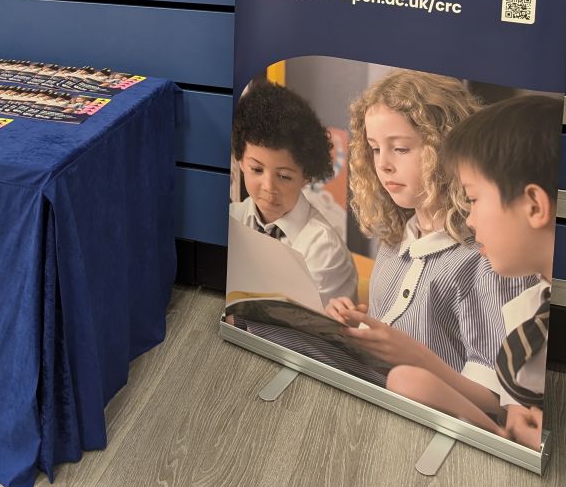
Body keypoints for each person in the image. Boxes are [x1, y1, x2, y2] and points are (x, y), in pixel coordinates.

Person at [324, 70, 530, 399]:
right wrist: (361, 323)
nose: (384, 165)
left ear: (446, 149)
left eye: (401, 149)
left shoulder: (490, 257)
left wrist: (410, 354)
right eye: (375, 149)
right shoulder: (394, 242)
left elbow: (498, 401)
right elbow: (402, 328)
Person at [384, 94, 561, 448]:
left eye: (475, 199)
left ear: (534, 205)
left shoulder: (499, 285)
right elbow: (514, 417)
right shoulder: (527, 309)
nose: (470, 218)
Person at [229, 77, 357, 304]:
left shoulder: (323, 249)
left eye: (284, 176)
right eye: (257, 169)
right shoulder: (232, 218)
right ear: (240, 161)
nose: (269, 187)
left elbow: (300, 328)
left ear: (306, 175)